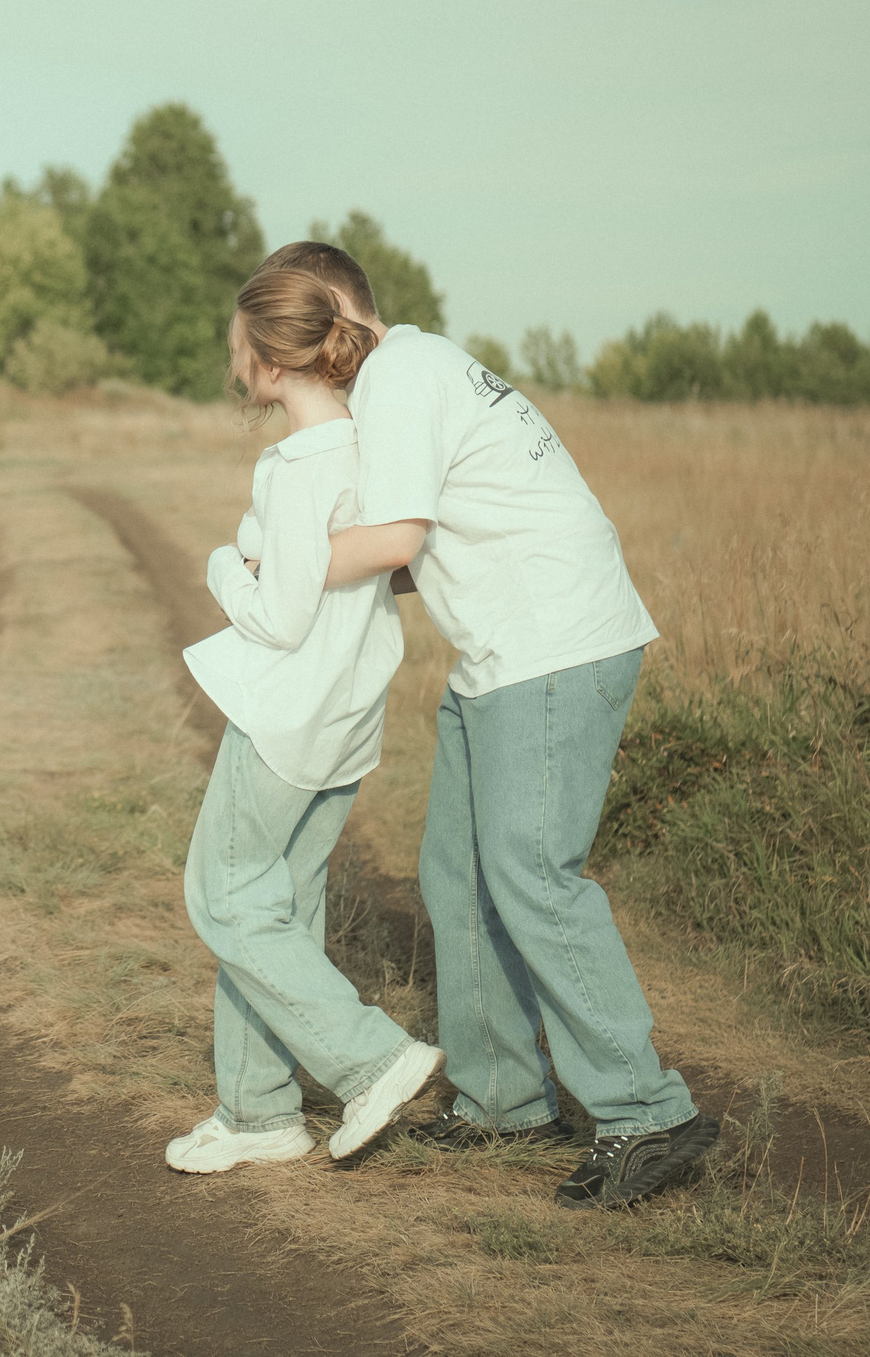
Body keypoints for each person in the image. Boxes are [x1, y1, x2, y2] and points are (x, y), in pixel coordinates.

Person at [270, 238, 718, 1210]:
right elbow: (414, 550)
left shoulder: (398, 378)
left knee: (529, 875)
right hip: (506, 651)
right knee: (457, 870)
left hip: (552, 645)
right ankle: (503, 1098)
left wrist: (284, 567)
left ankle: (648, 1112)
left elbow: (394, 540)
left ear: (340, 322)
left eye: (298, 351)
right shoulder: (413, 367)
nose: (301, 374)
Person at [166, 265, 445, 1174]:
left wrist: (219, 566)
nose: (233, 360)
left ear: (270, 363)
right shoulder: (368, 447)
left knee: (224, 897)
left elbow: (279, 615)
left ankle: (371, 1058)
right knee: (278, 905)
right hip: (344, 722)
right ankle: (258, 1112)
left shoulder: (292, 467)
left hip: (287, 721)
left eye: (238, 346)